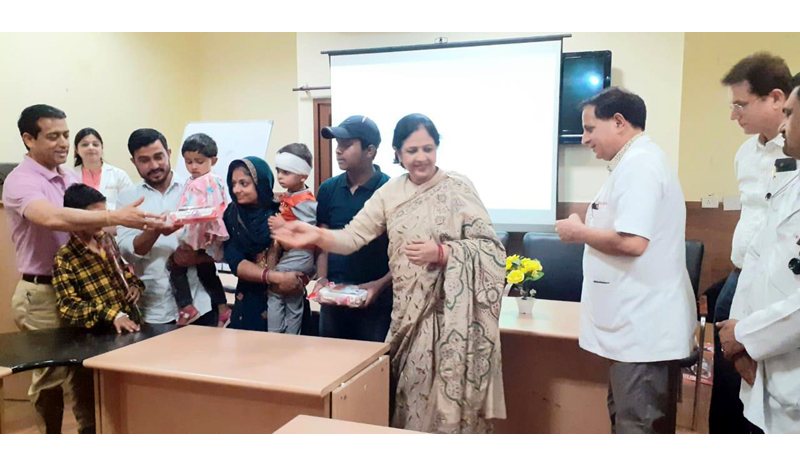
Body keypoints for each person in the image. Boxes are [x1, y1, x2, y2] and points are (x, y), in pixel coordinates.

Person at [272, 113, 507, 433]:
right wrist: (315, 236)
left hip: (453, 319)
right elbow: (353, 237)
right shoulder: (389, 193)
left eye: (428, 148)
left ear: (437, 148)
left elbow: (491, 250)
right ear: (397, 154)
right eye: (412, 151)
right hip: (408, 316)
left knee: (448, 403)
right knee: (408, 397)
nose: (421, 157)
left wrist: (442, 253)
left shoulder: (458, 188)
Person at [2, 104, 157, 434]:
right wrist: (114, 217)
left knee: (87, 371)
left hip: (86, 289)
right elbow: (50, 218)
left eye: (65, 135)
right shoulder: (20, 181)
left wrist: (154, 225)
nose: (62, 143)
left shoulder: (70, 177)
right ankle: (51, 441)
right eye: (53, 136)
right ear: (28, 139)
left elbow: (96, 227)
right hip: (43, 293)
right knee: (51, 375)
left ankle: (89, 438)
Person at [555, 87, 695, 434]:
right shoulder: (632, 163)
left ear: (619, 122)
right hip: (633, 325)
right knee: (627, 420)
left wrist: (579, 232)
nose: (585, 139)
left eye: (589, 128)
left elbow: (633, 242)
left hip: (643, 329)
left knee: (636, 427)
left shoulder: (641, 165)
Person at [711, 52, 793, 434]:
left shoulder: (794, 154)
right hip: (739, 274)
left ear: (776, 98)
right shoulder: (745, 153)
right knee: (728, 380)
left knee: (766, 381)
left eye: (740, 104)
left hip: (780, 288)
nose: (734, 115)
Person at [117, 128, 220, 326]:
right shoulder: (128, 198)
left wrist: (197, 257)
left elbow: (220, 240)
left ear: (169, 153)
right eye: (144, 160)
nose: (154, 165)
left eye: (159, 157)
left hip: (200, 303)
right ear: (133, 161)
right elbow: (127, 252)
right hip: (154, 309)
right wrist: (154, 231)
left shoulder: (199, 188)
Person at [313, 115, 393, 342]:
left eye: (347, 145)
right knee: (331, 365)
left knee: (371, 368)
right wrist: (321, 279)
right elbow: (323, 241)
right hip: (333, 299)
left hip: (376, 302)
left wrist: (379, 286)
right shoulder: (328, 189)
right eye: (338, 145)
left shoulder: (389, 190)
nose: (338, 151)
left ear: (370, 151)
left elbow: (402, 253)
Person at [222, 156, 306, 331]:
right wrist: (275, 277)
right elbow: (236, 262)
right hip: (249, 300)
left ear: (260, 183)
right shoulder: (232, 216)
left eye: (244, 183)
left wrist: (299, 278)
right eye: (233, 183)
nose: (236, 190)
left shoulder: (284, 211)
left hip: (289, 296)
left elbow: (304, 252)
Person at [54, 183, 144, 333]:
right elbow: (68, 307)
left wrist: (135, 286)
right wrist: (112, 315)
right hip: (100, 334)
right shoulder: (65, 257)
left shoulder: (107, 239)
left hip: (131, 325)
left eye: (104, 214)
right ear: (76, 216)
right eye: (96, 215)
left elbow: (122, 272)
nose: (102, 220)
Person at [167, 133, 231, 327]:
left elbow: (200, 211)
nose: (193, 166)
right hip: (203, 233)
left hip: (198, 233)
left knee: (175, 265)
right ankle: (222, 308)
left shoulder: (206, 180)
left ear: (213, 160)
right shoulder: (206, 179)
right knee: (207, 271)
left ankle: (186, 307)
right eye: (188, 162)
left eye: (199, 161)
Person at [266, 143, 317, 334]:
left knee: (276, 288)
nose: (280, 176)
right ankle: (287, 337)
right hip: (292, 253)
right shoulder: (289, 196)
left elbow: (308, 233)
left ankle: (277, 336)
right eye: (278, 170)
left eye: (286, 172)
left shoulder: (306, 201)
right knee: (292, 300)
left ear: (303, 175)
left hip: (300, 254)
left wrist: (283, 228)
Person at [73, 127, 133, 210]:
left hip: (114, 222)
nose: (91, 147)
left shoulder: (119, 175)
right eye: (85, 145)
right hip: (78, 222)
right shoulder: (68, 176)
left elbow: (131, 204)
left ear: (102, 148)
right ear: (76, 150)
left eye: (95, 144)